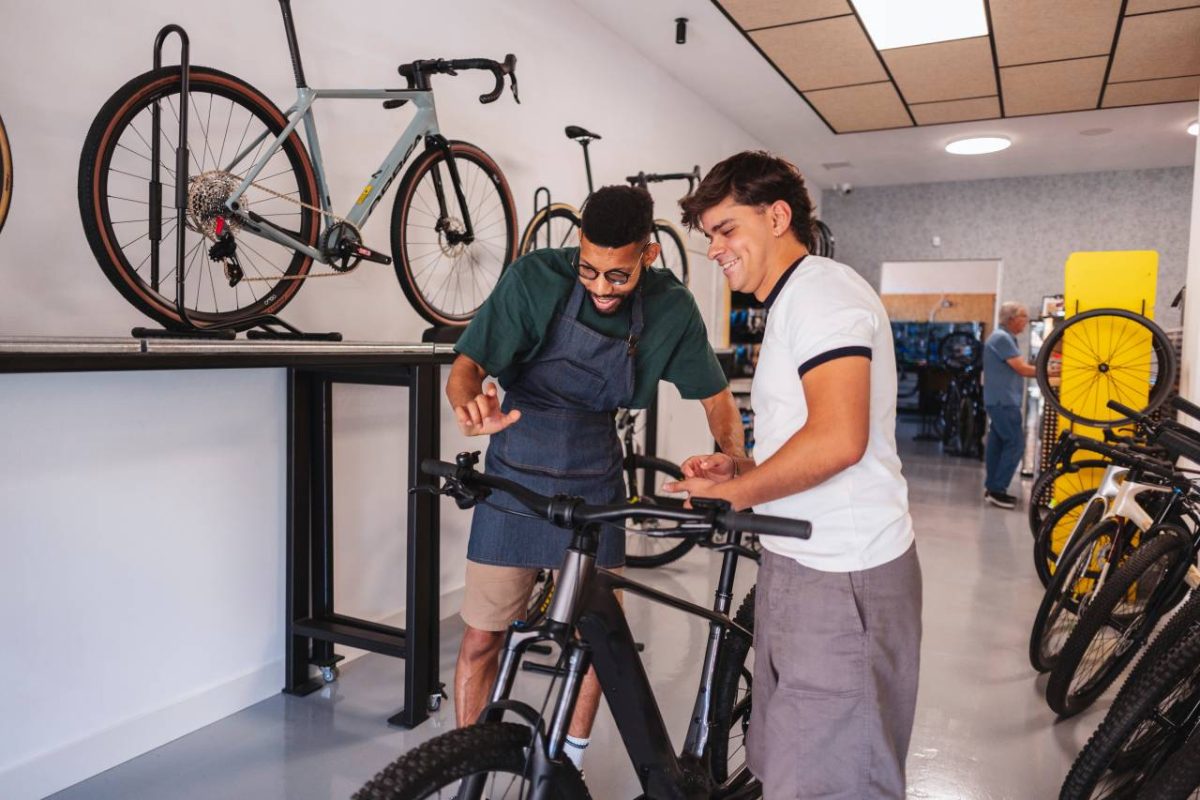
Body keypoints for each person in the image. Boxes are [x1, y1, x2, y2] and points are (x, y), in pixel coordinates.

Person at [446, 185, 744, 771]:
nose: (601, 289)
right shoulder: (534, 279)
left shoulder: (671, 307)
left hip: (595, 479)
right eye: (589, 270)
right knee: (482, 636)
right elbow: (468, 365)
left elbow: (717, 399)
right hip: (513, 476)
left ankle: (568, 766)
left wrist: (733, 459)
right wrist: (467, 405)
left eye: (618, 276)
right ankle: (470, 767)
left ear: (648, 255)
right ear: (577, 246)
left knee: (598, 641)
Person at [666, 151, 922, 799]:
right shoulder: (793, 300)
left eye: (727, 229)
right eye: (709, 236)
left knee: (835, 780)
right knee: (787, 766)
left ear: (778, 217)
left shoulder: (822, 295)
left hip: (845, 572)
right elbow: (811, 437)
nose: (715, 250)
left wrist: (733, 494)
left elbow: (839, 439)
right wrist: (743, 468)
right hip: (800, 559)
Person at [982, 302, 1036, 509]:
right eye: (1023, 316)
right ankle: (998, 489)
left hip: (1000, 400)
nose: (1026, 321)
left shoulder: (1005, 338)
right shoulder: (1002, 338)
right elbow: (1022, 368)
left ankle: (993, 488)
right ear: (1011, 318)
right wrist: (1052, 372)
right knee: (1015, 444)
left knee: (997, 444)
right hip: (1003, 402)